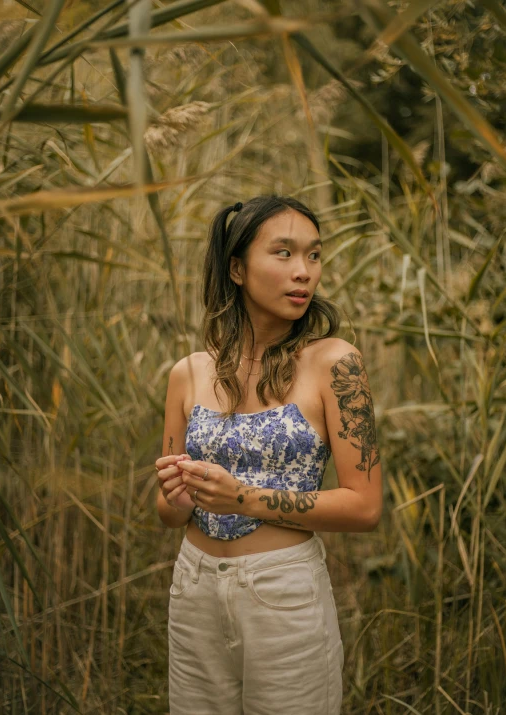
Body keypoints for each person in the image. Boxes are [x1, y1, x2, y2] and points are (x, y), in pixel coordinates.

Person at [155, 195, 382, 715]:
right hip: (193, 591)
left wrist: (244, 498)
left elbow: (365, 507)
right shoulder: (188, 372)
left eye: (314, 255)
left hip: (283, 592)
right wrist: (180, 495)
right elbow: (168, 514)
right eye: (283, 253)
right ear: (237, 268)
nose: (303, 272)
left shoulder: (335, 364)